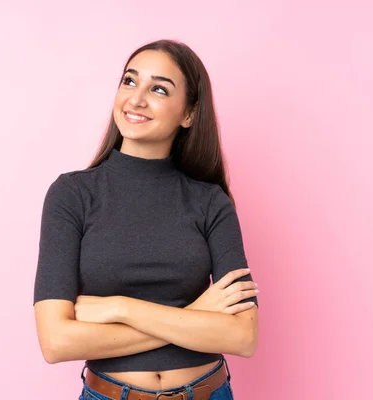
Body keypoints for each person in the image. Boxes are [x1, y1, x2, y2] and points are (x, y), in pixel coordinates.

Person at [33, 39, 259, 400]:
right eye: (129, 81)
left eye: (158, 89)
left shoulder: (210, 201)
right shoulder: (71, 195)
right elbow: (56, 341)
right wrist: (195, 314)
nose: (136, 99)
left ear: (188, 114)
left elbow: (243, 336)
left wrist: (119, 308)